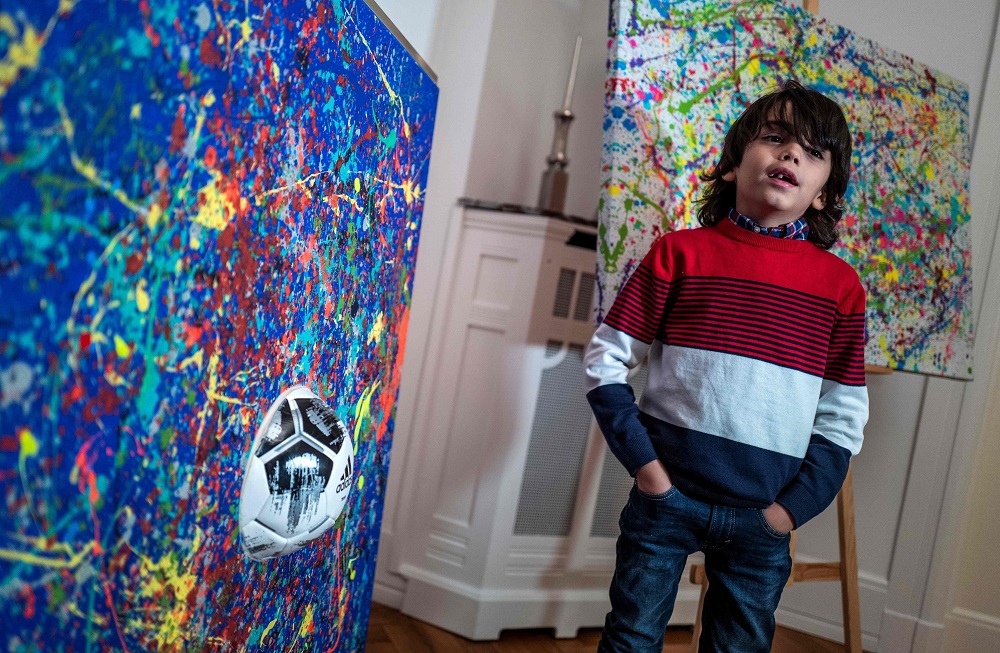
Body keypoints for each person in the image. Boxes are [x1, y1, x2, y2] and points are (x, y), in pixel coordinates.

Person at [584, 80, 868, 652]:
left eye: (812, 152)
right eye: (775, 138)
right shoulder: (678, 254)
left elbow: (842, 420)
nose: (791, 154)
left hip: (764, 520)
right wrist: (648, 472)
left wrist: (787, 514)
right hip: (665, 499)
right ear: (733, 164)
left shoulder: (840, 288)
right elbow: (605, 361)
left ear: (821, 194)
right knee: (630, 639)